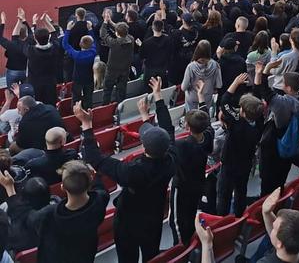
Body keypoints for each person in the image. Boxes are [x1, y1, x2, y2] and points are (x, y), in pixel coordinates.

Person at [77, 76, 176, 263]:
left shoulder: (130, 172)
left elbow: (94, 159)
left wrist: (87, 125)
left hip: (128, 222)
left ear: (144, 147)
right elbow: (168, 129)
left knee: (127, 258)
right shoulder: (171, 159)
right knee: (151, 255)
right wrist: (157, 100)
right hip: (154, 216)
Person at [2, 160, 109, 263]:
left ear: (62, 187)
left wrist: (9, 187)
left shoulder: (48, 216)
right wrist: (94, 175)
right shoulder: (100, 200)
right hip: (86, 256)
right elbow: (99, 187)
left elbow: (23, 216)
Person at [166, 79, 214, 245]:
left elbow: (167, 132)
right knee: (191, 212)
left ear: (186, 127)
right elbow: (207, 120)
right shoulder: (208, 137)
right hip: (198, 184)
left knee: (176, 221)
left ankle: (181, 249)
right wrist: (201, 97)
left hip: (182, 187)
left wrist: (158, 99)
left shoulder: (182, 146)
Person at [255, 60, 299, 196]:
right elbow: (298, 77)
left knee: (268, 183)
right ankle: (279, 197)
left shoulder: (284, 104)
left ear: (289, 88)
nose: (282, 85)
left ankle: (265, 206)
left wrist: (265, 71)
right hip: (287, 148)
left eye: (284, 83)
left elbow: (265, 92)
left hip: (275, 148)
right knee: (280, 179)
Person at [217, 89, 264, 216]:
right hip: (246, 164)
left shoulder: (237, 123)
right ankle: (239, 217)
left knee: (224, 195)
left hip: (229, 166)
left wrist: (235, 84)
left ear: (242, 111)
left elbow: (224, 102)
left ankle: (222, 221)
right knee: (241, 191)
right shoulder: (260, 124)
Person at [256, 189, 299, 262]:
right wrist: (266, 212)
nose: (272, 227)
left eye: (274, 228)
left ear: (280, 244)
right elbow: (281, 236)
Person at [23, 13, 61, 106]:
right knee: (51, 105)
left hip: (35, 85)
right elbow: (54, 34)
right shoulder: (55, 48)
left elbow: (28, 39)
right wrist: (45, 21)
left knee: (37, 106)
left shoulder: (31, 51)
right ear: (48, 38)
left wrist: (33, 24)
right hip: (50, 84)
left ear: (35, 39)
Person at [99, 10, 134, 104]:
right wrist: (110, 22)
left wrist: (105, 22)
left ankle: (105, 107)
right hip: (125, 70)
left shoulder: (114, 43)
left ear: (116, 33)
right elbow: (121, 30)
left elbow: (103, 34)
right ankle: (120, 107)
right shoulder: (131, 39)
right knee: (121, 90)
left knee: (107, 90)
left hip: (112, 70)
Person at [62, 21, 96, 109]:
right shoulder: (93, 52)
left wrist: (68, 30)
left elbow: (65, 44)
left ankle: (76, 113)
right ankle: (88, 112)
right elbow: (93, 41)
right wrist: (90, 29)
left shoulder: (77, 55)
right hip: (89, 79)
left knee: (76, 98)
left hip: (78, 80)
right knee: (89, 98)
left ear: (80, 44)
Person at [181, 40, 222, 111]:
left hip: (192, 98)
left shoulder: (190, 67)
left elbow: (183, 88)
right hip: (206, 98)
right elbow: (219, 85)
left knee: (192, 118)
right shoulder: (216, 65)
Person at [138, 19, 171, 91]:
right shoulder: (168, 39)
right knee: (163, 90)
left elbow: (142, 56)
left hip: (150, 71)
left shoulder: (146, 43)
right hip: (163, 69)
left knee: (149, 91)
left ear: (152, 28)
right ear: (162, 28)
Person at [0, 11, 29, 88]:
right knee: (25, 92)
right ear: (26, 35)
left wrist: (3, 21)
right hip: (24, 71)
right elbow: (16, 37)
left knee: (11, 92)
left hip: (12, 71)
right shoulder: (28, 44)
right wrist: (22, 20)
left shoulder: (11, 45)